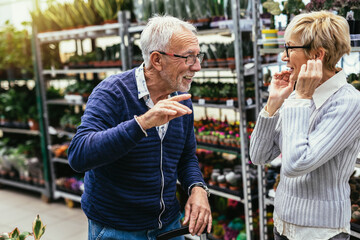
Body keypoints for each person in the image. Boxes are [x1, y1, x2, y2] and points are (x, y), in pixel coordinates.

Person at [67, 15, 212, 240]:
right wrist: (142, 123)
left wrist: (197, 188)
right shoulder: (113, 93)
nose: (198, 66)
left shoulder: (181, 97)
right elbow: (78, 155)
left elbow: (186, 156)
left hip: (169, 226)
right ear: (156, 60)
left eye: (198, 56)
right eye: (189, 57)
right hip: (118, 229)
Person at [250, 11, 360, 240]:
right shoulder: (298, 95)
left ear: (317, 55)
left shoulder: (349, 102)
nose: (283, 57)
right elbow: (259, 156)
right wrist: (273, 104)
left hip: (320, 233)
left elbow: (296, 164)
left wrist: (299, 99)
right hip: (282, 225)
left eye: (290, 49)